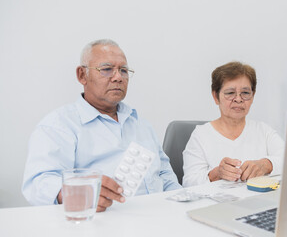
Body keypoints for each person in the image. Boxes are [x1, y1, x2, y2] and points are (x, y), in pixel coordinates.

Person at [22, 39, 181, 211]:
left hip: (159, 218)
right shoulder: (59, 125)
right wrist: (79, 193)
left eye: (124, 70)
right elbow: (38, 183)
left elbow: (165, 173)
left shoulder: (141, 124)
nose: (118, 77)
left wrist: (181, 206)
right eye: (106, 69)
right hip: (101, 224)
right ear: (82, 75)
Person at [182, 61, 284, 187]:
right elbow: (188, 183)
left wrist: (266, 164)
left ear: (253, 97)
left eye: (245, 93)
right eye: (230, 93)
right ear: (215, 96)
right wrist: (216, 174)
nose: (238, 99)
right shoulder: (201, 135)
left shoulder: (263, 131)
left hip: (258, 203)